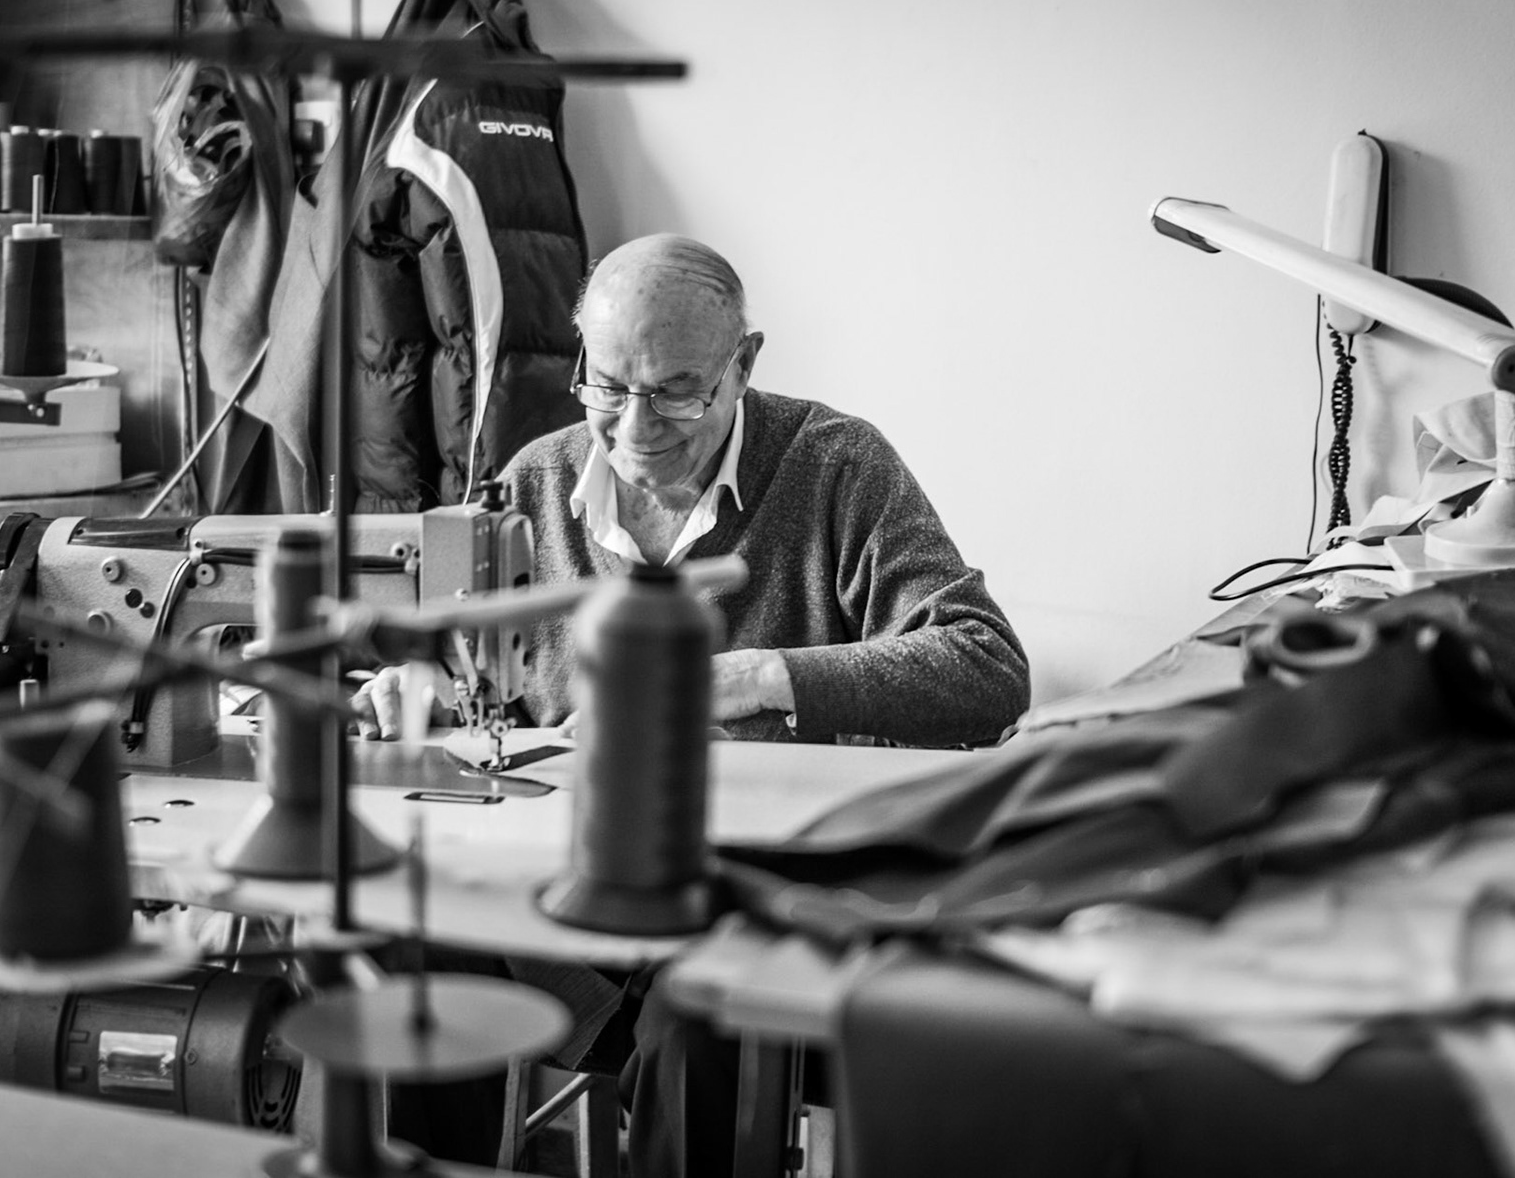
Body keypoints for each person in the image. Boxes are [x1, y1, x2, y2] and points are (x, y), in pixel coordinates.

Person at [352, 233, 1029, 1175]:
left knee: (698, 1017)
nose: (635, 427)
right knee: (407, 943)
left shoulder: (835, 466)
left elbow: (985, 665)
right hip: (571, 897)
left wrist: (756, 678)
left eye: (676, 391)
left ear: (743, 364)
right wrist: (424, 688)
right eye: (607, 386)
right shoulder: (535, 480)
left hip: (749, 900)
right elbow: (470, 673)